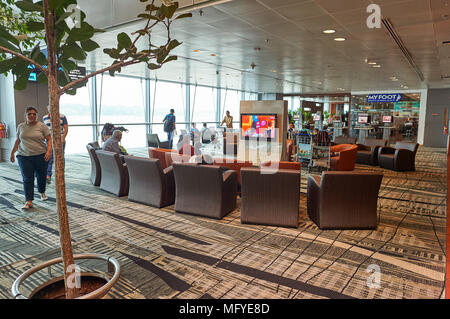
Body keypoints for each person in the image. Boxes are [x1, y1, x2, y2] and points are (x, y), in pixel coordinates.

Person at [10, 106, 52, 209]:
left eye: (34, 114)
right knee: (27, 178)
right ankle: (29, 201)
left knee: (41, 176)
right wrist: (12, 153)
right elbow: (18, 140)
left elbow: (49, 139)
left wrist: (49, 151)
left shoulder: (42, 126)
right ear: (26, 115)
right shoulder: (21, 126)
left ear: (37, 115)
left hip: (40, 155)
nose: (32, 116)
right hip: (24, 156)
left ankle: (42, 192)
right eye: (29, 114)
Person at [42, 105, 68, 184]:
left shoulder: (62, 116)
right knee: (50, 157)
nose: (52, 110)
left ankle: (61, 174)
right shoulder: (45, 117)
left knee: (61, 157)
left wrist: (63, 137)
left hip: (60, 140)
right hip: (49, 141)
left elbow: (66, 128)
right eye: (50, 109)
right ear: (48, 109)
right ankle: (48, 175)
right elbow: (44, 129)